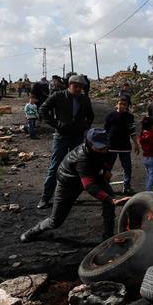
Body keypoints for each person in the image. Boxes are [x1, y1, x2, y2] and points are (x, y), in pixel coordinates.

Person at [20, 129, 129, 242]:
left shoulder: (105, 148)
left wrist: (106, 169)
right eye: (99, 147)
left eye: (105, 146)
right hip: (69, 183)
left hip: (92, 175)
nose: (104, 149)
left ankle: (108, 236)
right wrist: (112, 200)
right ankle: (32, 232)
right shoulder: (82, 158)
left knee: (108, 200)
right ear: (89, 143)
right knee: (55, 221)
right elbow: (89, 186)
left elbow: (106, 160)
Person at [37, 75, 94, 209]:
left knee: (76, 167)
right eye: (76, 86)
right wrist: (57, 124)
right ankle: (45, 198)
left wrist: (84, 126)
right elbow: (43, 110)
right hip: (61, 136)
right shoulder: (58, 96)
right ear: (69, 85)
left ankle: (70, 197)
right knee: (55, 166)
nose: (78, 89)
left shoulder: (85, 99)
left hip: (78, 137)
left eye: (81, 87)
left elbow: (90, 115)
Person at [104, 96, 139, 195]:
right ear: (116, 104)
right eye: (120, 104)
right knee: (108, 167)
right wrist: (104, 144)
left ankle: (126, 187)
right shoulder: (110, 115)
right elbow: (106, 130)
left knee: (127, 168)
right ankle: (105, 186)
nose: (122, 106)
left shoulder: (130, 117)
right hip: (111, 146)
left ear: (127, 106)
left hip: (125, 147)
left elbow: (132, 131)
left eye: (124, 104)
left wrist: (136, 144)